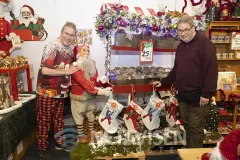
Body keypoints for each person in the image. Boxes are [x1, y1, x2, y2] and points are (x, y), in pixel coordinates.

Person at [152, 15, 218, 148]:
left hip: (199, 96)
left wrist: (207, 94)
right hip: (183, 95)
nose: (182, 33)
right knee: (187, 125)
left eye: (186, 30)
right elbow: (177, 70)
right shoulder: (181, 46)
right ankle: (188, 152)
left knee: (195, 127)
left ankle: (194, 155)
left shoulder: (206, 45)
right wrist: (164, 81)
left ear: (193, 28)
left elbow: (212, 70)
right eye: (180, 31)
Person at [36, 22, 79, 159]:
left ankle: (59, 143)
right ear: (61, 32)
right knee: (44, 121)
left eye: (72, 35)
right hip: (47, 91)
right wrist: (67, 71)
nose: (69, 37)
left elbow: (70, 68)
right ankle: (42, 148)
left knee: (59, 120)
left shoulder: (71, 48)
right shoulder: (52, 46)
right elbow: (45, 70)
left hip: (61, 92)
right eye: (66, 33)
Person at [70, 44, 111, 142]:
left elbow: (93, 80)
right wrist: (100, 91)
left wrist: (101, 81)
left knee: (91, 114)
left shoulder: (91, 64)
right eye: (83, 50)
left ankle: (91, 132)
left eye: (88, 51)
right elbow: (83, 82)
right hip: (79, 96)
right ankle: (80, 135)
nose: (87, 53)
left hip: (90, 96)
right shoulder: (75, 66)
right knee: (78, 116)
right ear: (77, 53)